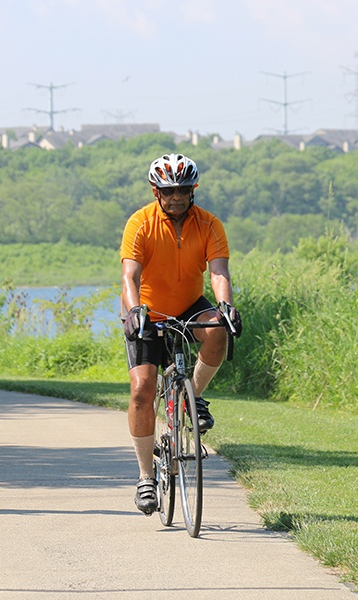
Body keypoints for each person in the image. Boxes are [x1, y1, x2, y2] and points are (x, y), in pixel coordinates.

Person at [119, 153, 242, 515]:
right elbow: (130, 276)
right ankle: (144, 477)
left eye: (183, 190)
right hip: (146, 310)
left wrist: (226, 306)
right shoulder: (140, 223)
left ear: (194, 190)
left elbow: (218, 271)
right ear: (157, 191)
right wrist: (133, 311)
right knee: (142, 390)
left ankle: (193, 397)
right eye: (169, 190)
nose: (176, 196)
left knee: (218, 329)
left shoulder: (209, 224)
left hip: (189, 304)